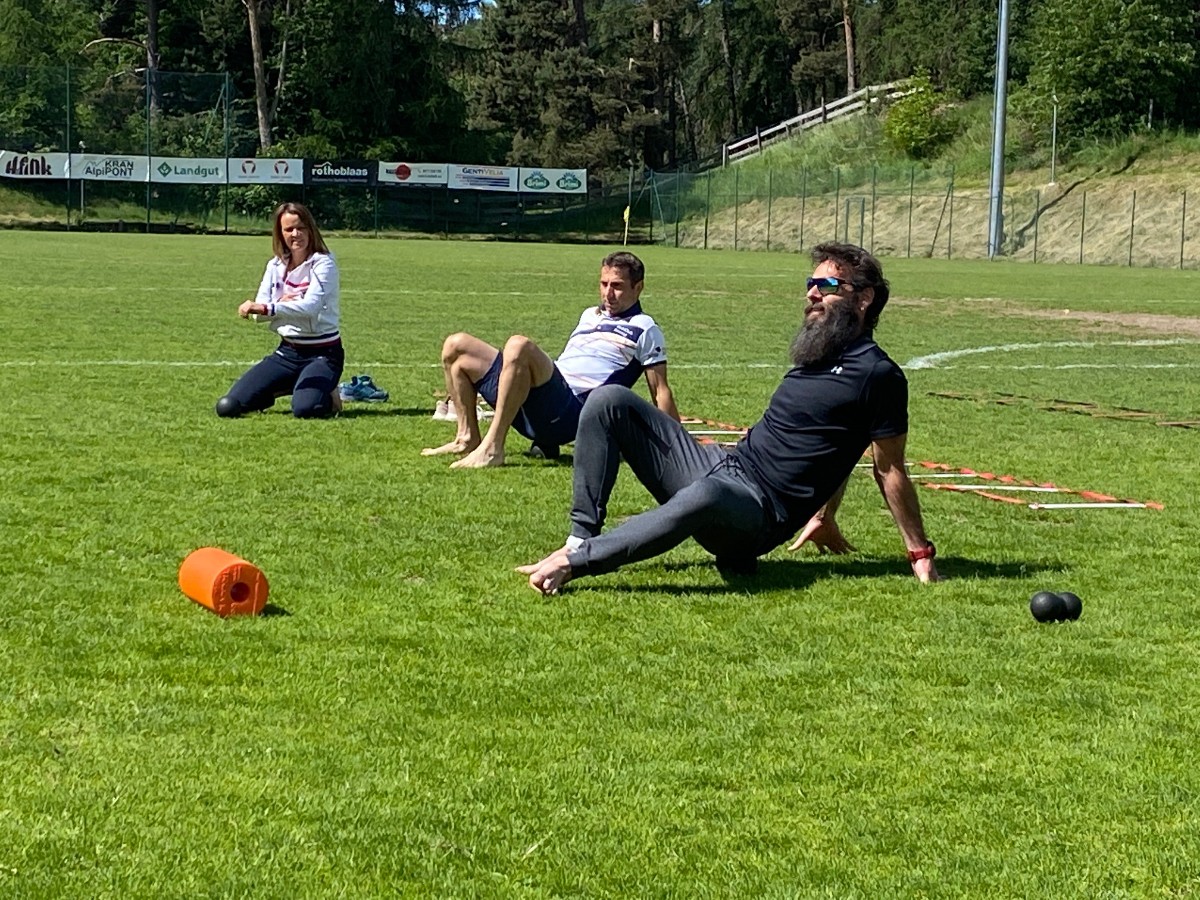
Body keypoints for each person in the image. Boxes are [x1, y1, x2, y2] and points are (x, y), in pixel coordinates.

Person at [518, 241, 940, 594]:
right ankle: (579, 538)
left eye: (826, 285)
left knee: (708, 494)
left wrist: (919, 553)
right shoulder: (818, 354)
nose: (812, 293)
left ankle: (576, 563)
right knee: (609, 400)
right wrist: (824, 516)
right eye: (810, 284)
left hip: (756, 511)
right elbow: (835, 442)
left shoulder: (877, 374)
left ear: (864, 298)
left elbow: (888, 469)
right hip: (726, 465)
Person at [422, 251, 679, 468]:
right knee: (456, 346)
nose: (608, 293)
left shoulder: (645, 328)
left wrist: (680, 448)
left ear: (638, 287)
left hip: (570, 412)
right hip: (540, 400)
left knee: (519, 346)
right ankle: (467, 437)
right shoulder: (590, 315)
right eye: (604, 284)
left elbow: (660, 391)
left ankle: (493, 448)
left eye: (617, 286)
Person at [215, 202, 343, 419]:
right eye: (289, 229)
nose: (296, 234)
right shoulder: (274, 265)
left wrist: (271, 307)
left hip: (323, 353)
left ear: (310, 229)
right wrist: (276, 305)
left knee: (305, 409)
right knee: (229, 405)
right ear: (280, 233)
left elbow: (310, 308)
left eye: (301, 228)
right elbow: (257, 316)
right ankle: (291, 384)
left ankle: (329, 393)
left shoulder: (324, 263)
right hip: (288, 352)